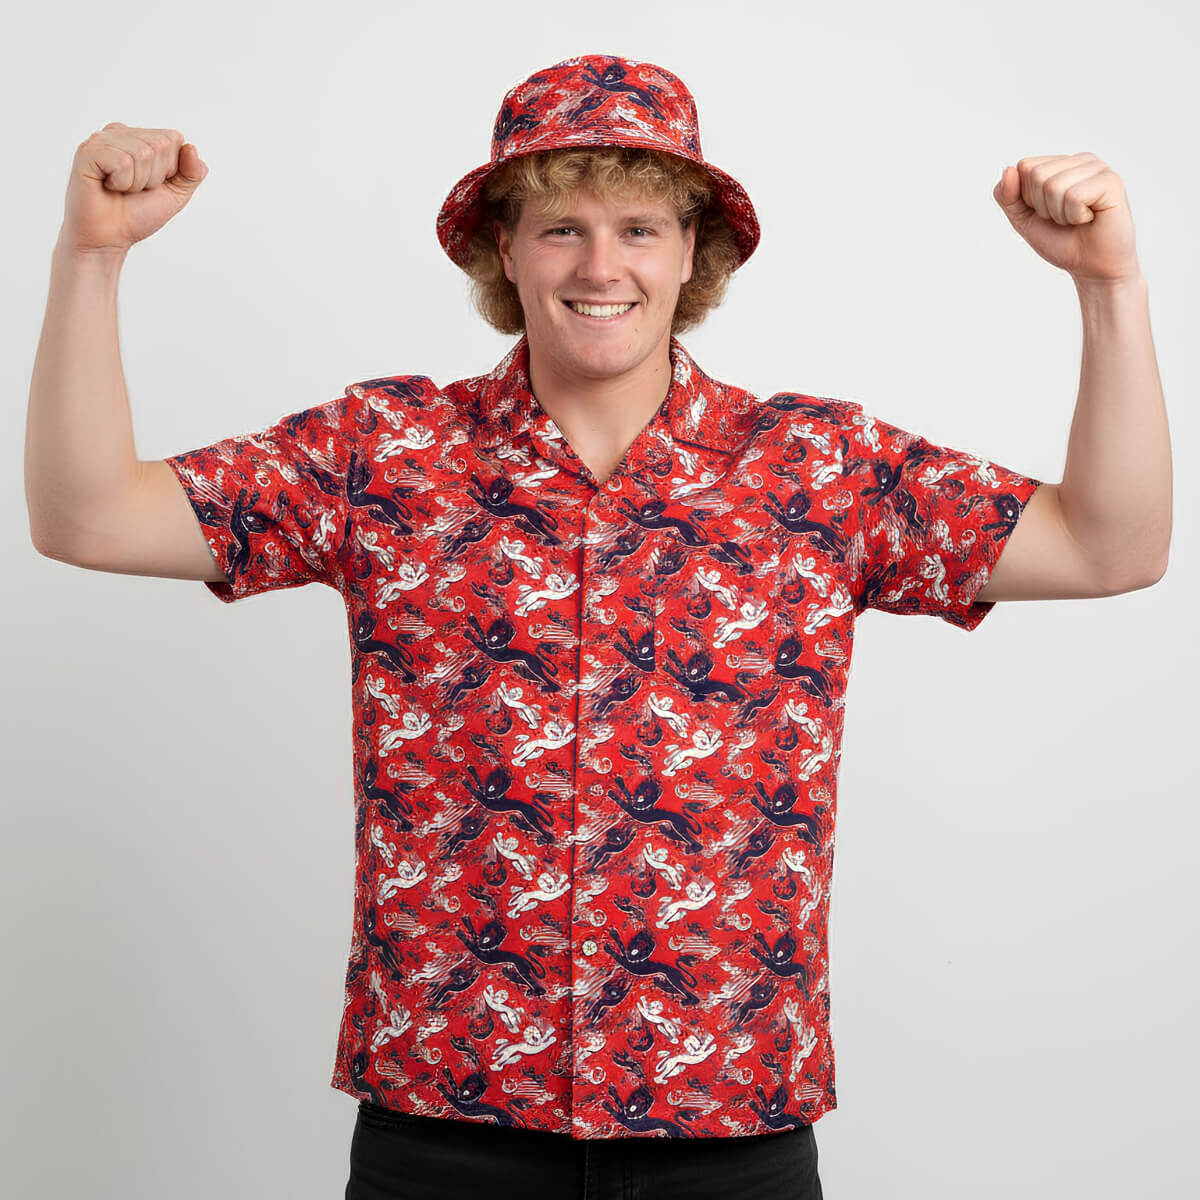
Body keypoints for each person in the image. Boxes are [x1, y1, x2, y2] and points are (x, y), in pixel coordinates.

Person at [25, 51, 1170, 1200]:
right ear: (504, 250)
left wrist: (1108, 284)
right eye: (561, 228)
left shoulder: (817, 467)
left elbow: (1111, 547)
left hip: (728, 1131)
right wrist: (92, 256)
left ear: (692, 254)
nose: (601, 264)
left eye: (638, 227)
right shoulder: (385, 453)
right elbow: (88, 517)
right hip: (444, 1126)